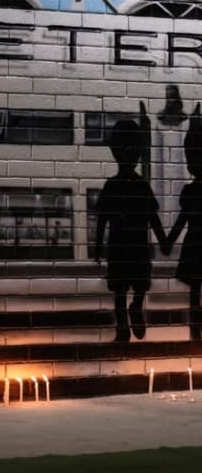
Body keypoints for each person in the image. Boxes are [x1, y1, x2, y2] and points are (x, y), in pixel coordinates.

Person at [95, 119, 167, 342]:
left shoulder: (112, 186)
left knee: (119, 292)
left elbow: (102, 220)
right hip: (136, 247)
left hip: (119, 248)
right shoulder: (141, 186)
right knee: (136, 286)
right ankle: (135, 307)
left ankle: (123, 328)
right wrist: (163, 239)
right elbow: (152, 217)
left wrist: (98, 247)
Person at [164, 104, 202, 340]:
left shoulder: (190, 192)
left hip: (195, 245)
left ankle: (195, 330)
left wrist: (167, 240)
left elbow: (181, 221)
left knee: (195, 289)